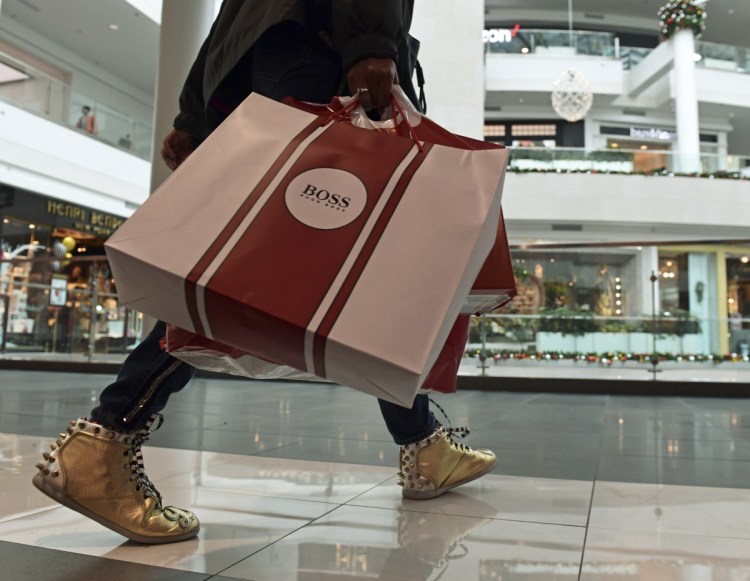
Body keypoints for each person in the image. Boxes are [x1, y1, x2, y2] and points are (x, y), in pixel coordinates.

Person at [32, 0, 496, 545]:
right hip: (326, 52)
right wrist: (371, 43)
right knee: (274, 270)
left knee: (345, 261)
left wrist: (194, 113)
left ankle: (422, 440)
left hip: (270, 60)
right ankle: (105, 437)